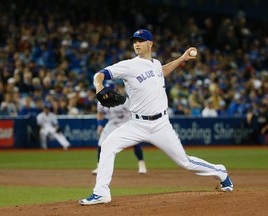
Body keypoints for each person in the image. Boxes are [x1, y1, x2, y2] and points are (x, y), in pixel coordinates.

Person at [79, 29, 233, 205]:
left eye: (140, 40)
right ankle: (101, 192)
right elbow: (98, 75)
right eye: (134, 41)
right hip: (136, 124)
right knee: (107, 145)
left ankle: (220, 172)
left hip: (161, 125)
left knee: (185, 162)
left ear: (150, 44)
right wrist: (99, 87)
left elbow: (161, 70)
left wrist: (182, 59)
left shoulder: (155, 64)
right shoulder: (129, 65)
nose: (136, 43)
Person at [91, 81, 147, 175]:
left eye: (109, 90)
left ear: (114, 90)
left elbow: (133, 112)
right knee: (102, 143)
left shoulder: (123, 100)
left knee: (136, 142)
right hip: (112, 123)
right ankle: (99, 167)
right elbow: (100, 113)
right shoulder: (101, 102)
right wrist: (100, 124)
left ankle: (141, 164)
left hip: (126, 122)